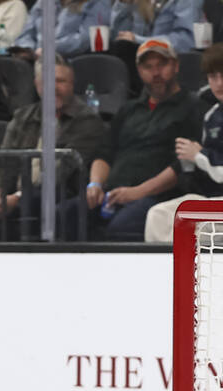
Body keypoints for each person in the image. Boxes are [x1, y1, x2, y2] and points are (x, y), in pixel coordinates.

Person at [66, 37, 198, 239]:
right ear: (139, 71)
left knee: (120, 229)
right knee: (65, 215)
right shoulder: (128, 109)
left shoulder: (192, 107)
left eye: (162, 64)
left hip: (157, 196)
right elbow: (105, 152)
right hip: (112, 193)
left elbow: (182, 165)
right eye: (148, 67)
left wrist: (138, 192)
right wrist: (95, 185)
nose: (155, 73)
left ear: (176, 65)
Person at [0, 54, 109, 238]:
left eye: (60, 81)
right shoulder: (22, 117)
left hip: (59, 193)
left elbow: (61, 173)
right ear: (37, 84)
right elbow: (4, 162)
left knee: (33, 201)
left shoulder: (87, 121)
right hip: (16, 193)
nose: (54, 88)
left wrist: (16, 198)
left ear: (72, 84)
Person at [146, 42, 223, 240]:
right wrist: (189, 162)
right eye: (213, 77)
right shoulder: (211, 116)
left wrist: (198, 156)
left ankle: (187, 270)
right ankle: (164, 271)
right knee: (158, 216)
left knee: (185, 229)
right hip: (211, 199)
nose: (219, 84)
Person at [11, 0, 114, 59]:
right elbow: (26, 32)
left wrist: (50, 49)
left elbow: (87, 39)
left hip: (72, 61)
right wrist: (27, 49)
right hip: (37, 60)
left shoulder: (98, 2)